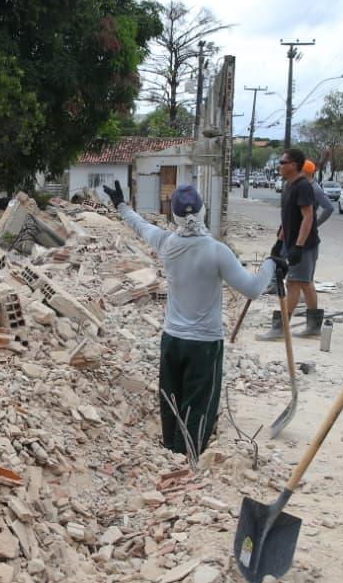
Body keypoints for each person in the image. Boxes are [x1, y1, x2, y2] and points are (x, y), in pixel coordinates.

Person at [101, 180, 285, 457]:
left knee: (171, 402)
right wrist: (271, 263)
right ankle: (187, 463)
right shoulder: (217, 251)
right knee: (197, 408)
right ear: (202, 211)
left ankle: (169, 458)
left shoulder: (166, 243)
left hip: (172, 341)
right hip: (204, 345)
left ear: (175, 216)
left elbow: (140, 226)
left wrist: (121, 205)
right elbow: (253, 288)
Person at [257, 148, 322, 340]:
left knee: (293, 283)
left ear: (293, 165)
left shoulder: (303, 186)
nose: (279, 166)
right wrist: (279, 241)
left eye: (282, 162)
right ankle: (313, 327)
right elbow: (288, 219)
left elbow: (308, 217)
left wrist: (299, 246)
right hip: (292, 242)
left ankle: (280, 329)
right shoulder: (288, 186)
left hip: (305, 245)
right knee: (306, 283)